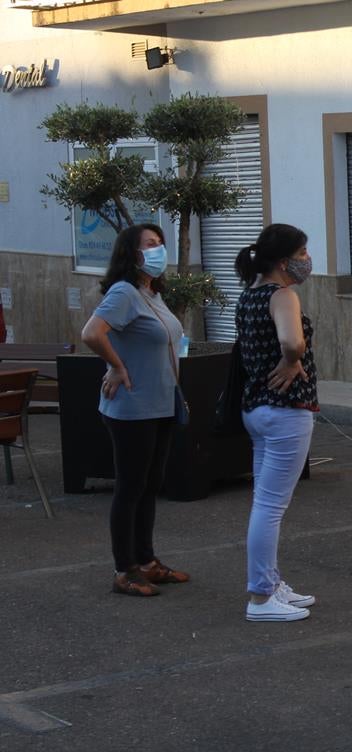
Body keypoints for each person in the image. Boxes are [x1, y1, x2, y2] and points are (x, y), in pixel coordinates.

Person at [81, 223, 190, 597]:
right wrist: (116, 365)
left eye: (161, 243)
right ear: (132, 252)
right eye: (150, 244)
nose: (158, 249)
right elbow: (92, 333)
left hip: (160, 403)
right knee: (130, 487)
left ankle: (146, 561)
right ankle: (123, 569)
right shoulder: (125, 292)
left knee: (149, 485)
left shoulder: (150, 292)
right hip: (132, 405)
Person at [234, 223, 319, 622]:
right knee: (271, 506)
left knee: (264, 503)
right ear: (285, 261)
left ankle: (270, 582)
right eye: (303, 253)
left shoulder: (249, 295)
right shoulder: (283, 295)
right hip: (286, 409)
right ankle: (262, 597)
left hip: (256, 408)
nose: (307, 259)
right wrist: (292, 359)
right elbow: (291, 342)